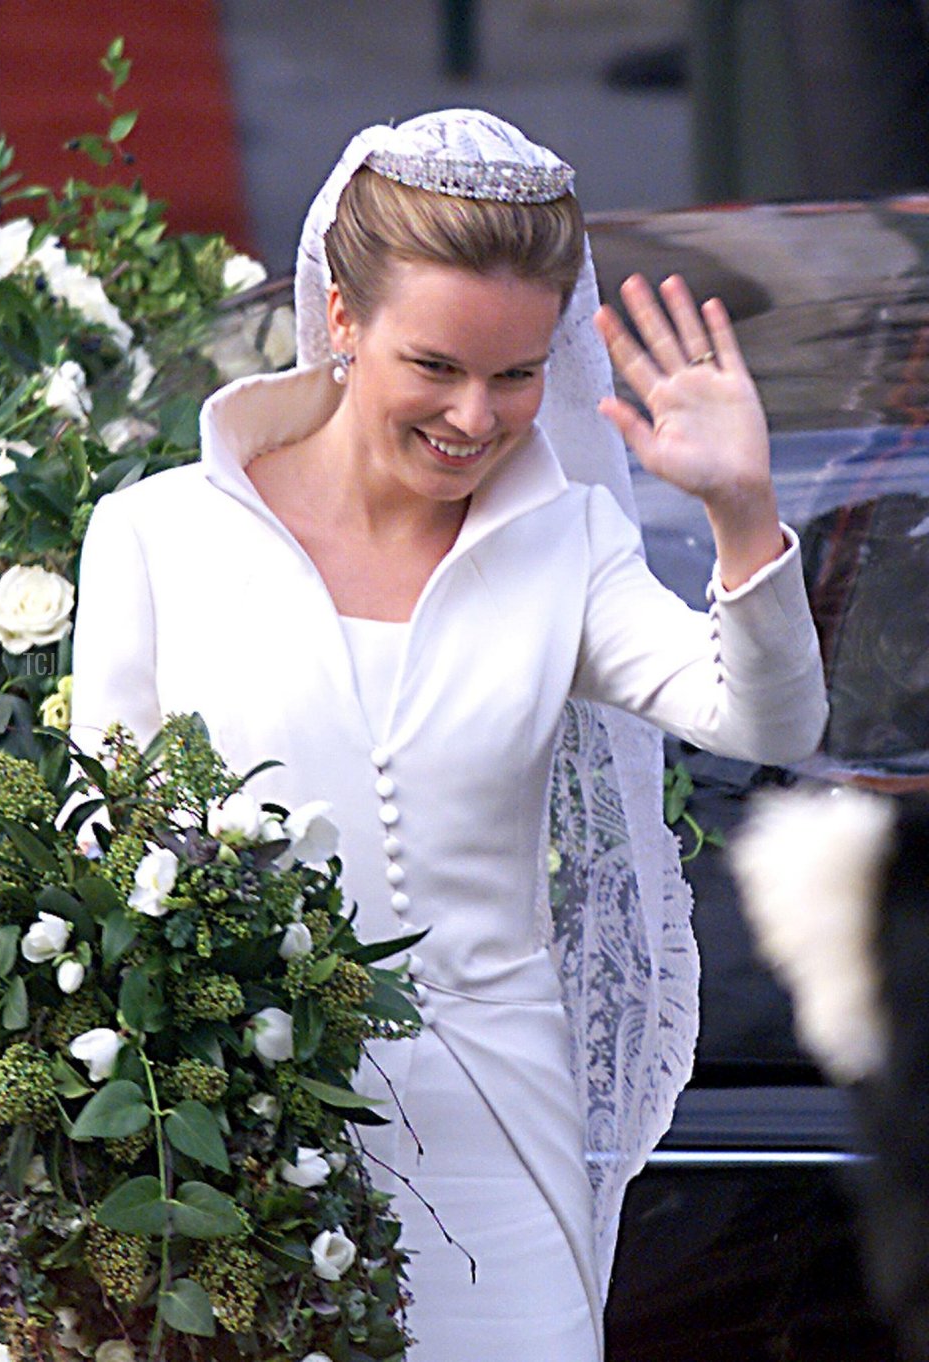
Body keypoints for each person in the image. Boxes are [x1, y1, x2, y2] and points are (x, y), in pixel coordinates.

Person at [67, 109, 828, 1359]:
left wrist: (744, 509)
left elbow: (769, 719)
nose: (477, 417)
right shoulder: (156, 536)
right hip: (239, 1152)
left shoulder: (571, 543)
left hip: (500, 1152)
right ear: (343, 320)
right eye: (437, 365)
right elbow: (101, 859)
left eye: (518, 374)